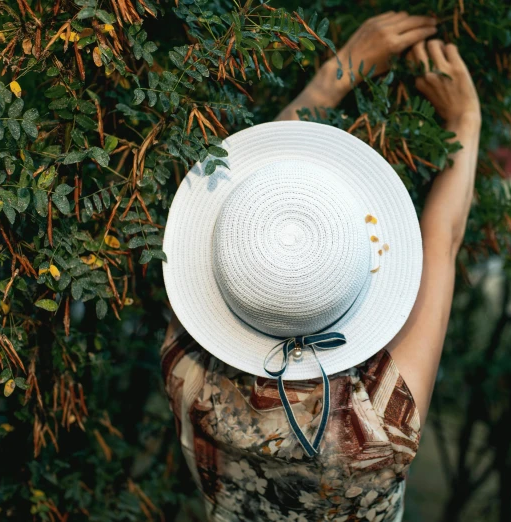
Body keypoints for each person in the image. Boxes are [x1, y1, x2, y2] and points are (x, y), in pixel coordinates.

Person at [161, 11, 480, 521]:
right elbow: (441, 240)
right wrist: (465, 119)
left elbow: (248, 216)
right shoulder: (372, 426)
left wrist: (338, 72)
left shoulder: (184, 366)